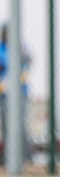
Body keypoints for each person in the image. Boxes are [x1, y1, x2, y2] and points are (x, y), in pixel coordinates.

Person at [0, 22, 33, 166]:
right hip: (4, 93)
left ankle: (26, 156)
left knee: (21, 124)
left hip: (20, 93)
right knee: (7, 125)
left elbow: (28, 62)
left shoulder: (21, 48)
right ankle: (9, 157)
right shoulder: (1, 49)